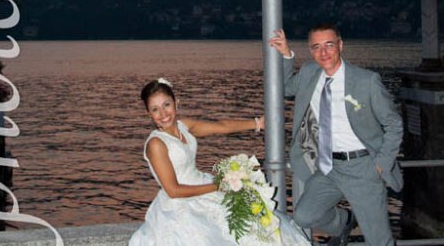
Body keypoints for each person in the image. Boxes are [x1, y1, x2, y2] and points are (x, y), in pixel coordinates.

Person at [129, 78, 310, 246]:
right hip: (181, 201)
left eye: (166, 105)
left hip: (203, 184)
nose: (163, 114)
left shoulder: (183, 126)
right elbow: (173, 191)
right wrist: (218, 186)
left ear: (176, 102)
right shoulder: (156, 144)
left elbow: (220, 126)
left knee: (257, 224)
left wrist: (256, 123)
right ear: (149, 113)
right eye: (155, 109)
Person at [269, 24, 403, 246]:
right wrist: (286, 54)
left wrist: (382, 162)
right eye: (316, 47)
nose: (323, 52)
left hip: (363, 168)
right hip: (328, 167)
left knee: (379, 241)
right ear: (311, 51)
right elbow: (283, 88)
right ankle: (344, 221)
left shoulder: (366, 80)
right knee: (304, 216)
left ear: (340, 45)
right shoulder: (309, 73)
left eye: (329, 45)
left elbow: (394, 123)